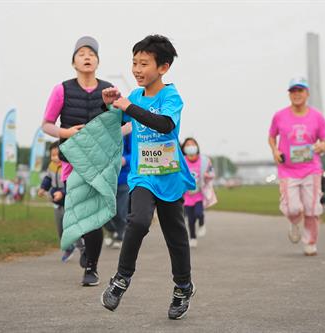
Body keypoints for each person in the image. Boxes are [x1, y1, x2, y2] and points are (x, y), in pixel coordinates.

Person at [100, 35, 196, 320]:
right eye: (134, 63)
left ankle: (183, 287)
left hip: (169, 177)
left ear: (163, 67)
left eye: (144, 63)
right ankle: (120, 279)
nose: (137, 69)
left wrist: (127, 106)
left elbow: (165, 125)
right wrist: (110, 106)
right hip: (142, 176)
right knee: (138, 221)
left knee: (176, 237)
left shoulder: (171, 96)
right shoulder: (135, 98)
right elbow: (111, 124)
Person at [41, 36, 114, 286]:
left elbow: (122, 125)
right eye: (81, 53)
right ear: (73, 62)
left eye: (91, 54)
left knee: (94, 215)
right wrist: (67, 133)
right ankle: (84, 246)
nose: (87, 57)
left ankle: (91, 267)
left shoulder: (108, 89)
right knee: (78, 211)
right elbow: (47, 125)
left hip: (100, 162)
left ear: (98, 61)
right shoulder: (61, 89)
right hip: (72, 161)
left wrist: (110, 134)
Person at [268, 77, 325, 256]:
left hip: (311, 168)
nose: (296, 94)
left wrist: (323, 145)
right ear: (289, 94)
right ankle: (294, 221)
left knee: (312, 209)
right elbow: (272, 136)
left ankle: (310, 243)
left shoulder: (316, 116)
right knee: (292, 208)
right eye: (293, 91)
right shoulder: (279, 116)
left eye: (300, 90)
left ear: (307, 93)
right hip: (288, 170)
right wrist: (274, 150)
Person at [38, 141, 84, 262]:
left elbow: (71, 183)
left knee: (73, 227)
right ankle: (68, 248)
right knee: (60, 228)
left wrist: (62, 193)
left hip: (69, 202)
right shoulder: (51, 166)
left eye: (57, 155)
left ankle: (82, 247)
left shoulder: (68, 166)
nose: (54, 158)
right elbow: (48, 178)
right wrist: (43, 188)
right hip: (57, 203)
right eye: (52, 155)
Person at [181, 137, 216, 248]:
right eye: (188, 145)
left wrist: (207, 176)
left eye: (192, 144)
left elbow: (211, 172)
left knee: (198, 213)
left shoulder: (204, 160)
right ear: (184, 148)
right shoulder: (182, 160)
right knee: (190, 219)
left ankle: (201, 223)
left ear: (197, 147)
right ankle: (192, 237)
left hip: (199, 194)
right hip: (187, 195)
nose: (190, 146)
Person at [103, 125, 132, 249]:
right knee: (107, 211)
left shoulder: (128, 131)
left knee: (121, 210)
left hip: (123, 178)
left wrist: (125, 159)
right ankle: (112, 230)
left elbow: (135, 152)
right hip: (106, 179)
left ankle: (120, 236)